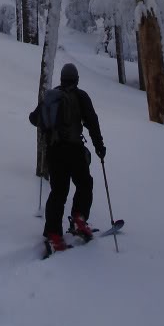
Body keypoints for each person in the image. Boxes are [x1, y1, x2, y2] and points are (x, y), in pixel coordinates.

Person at [29, 62, 106, 253]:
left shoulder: (52, 96)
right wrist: (99, 146)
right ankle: (79, 219)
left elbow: (33, 118)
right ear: (77, 79)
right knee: (84, 183)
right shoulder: (81, 96)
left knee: (58, 192)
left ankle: (54, 233)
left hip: (55, 152)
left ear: (62, 79)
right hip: (75, 150)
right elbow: (92, 122)